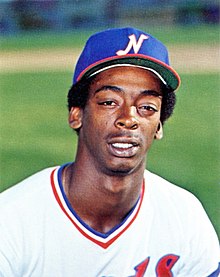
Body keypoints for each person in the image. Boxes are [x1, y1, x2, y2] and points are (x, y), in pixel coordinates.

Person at [0, 27, 219, 277]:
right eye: (109, 102)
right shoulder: (11, 223)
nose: (129, 119)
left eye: (147, 107)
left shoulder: (185, 217)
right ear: (77, 114)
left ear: (159, 125)